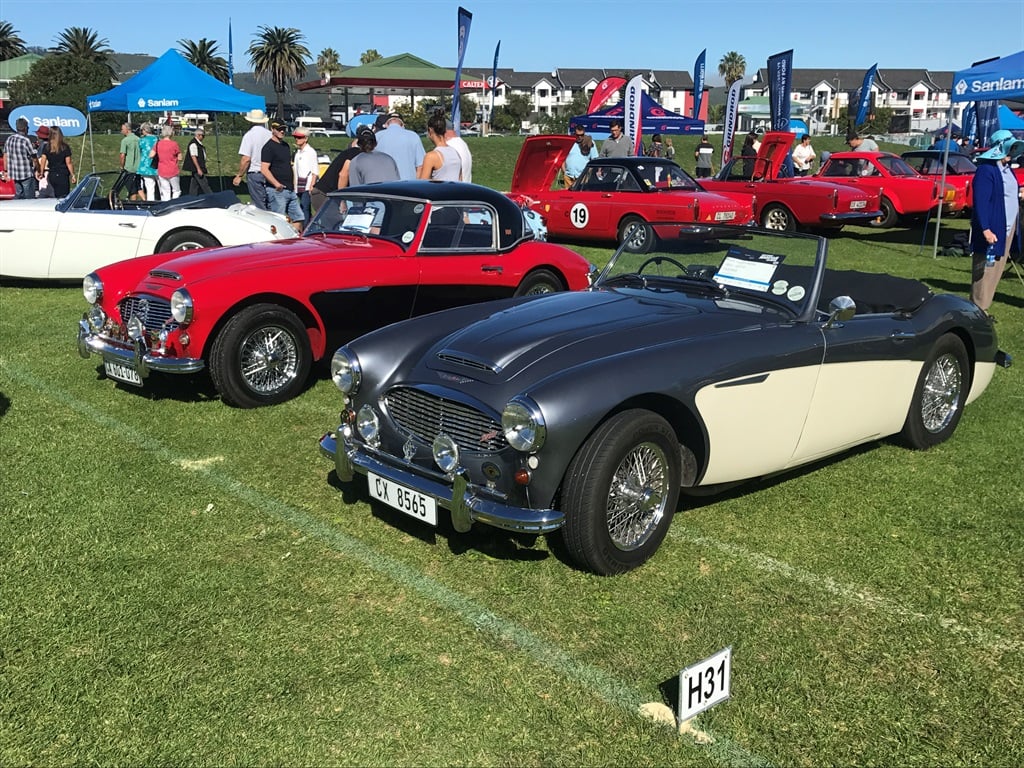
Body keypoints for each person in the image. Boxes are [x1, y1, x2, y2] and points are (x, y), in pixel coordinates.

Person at [969, 129, 1024, 315]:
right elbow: (981, 202)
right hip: (992, 228)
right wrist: (985, 229)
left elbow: (1006, 194)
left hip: (1007, 228)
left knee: (995, 271)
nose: (1012, 152)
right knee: (984, 271)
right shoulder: (986, 170)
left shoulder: (1007, 170)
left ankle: (983, 309)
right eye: (1010, 148)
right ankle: (977, 310)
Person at [261, 120, 305, 224]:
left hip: (290, 189)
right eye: (279, 129)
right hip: (277, 190)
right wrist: (276, 184)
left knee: (299, 218)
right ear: (272, 130)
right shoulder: (268, 147)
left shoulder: (285, 146)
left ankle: (294, 239)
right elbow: (264, 169)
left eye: (283, 129)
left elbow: (288, 165)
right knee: (279, 220)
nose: (282, 131)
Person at [233, 108, 272, 210]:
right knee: (270, 201)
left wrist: (239, 175)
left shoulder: (249, 135)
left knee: (259, 204)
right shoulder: (270, 135)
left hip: (255, 172)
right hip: (269, 172)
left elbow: (246, 158)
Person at [310, 140, 361, 213]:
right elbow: (343, 175)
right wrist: (342, 200)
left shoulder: (352, 153)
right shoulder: (354, 154)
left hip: (327, 194)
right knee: (335, 222)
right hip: (324, 194)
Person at [373, 112, 425, 180]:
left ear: (386, 124)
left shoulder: (377, 137)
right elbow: (420, 166)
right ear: (402, 125)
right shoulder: (413, 136)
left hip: (384, 185)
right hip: (408, 184)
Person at [418, 111, 462, 181]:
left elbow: (422, 185)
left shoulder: (431, 156)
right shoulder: (456, 153)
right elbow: (460, 180)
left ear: (430, 130)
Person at [2, 117, 39, 199]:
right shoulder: (26, 140)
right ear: (25, 128)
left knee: (18, 195)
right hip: (26, 173)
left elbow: (5, 155)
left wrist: (5, 170)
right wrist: (38, 169)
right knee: (29, 197)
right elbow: (34, 157)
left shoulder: (9, 139)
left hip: (15, 173)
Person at [38, 125, 75, 198]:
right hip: (62, 174)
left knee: (54, 194)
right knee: (63, 196)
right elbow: (69, 163)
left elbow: (43, 161)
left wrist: (41, 172)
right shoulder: (65, 147)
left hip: (52, 174)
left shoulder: (47, 147)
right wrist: (73, 175)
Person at [291, 127, 319, 221]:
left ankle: (305, 226)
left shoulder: (311, 152)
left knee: (305, 207)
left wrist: (311, 186)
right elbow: (295, 169)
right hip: (298, 184)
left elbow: (315, 171)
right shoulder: (298, 152)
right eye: (296, 137)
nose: (296, 139)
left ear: (306, 138)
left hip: (307, 185)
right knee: (300, 207)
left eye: (299, 137)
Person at [152, 124, 181, 200]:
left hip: (161, 169)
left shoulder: (158, 143)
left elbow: (151, 155)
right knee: (176, 190)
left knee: (165, 191)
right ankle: (174, 204)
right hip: (173, 169)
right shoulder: (174, 144)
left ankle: (166, 205)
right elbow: (180, 157)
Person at [184, 126, 212, 195]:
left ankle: (192, 197)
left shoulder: (198, 143)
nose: (203, 137)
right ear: (198, 135)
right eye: (203, 136)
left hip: (197, 167)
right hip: (197, 167)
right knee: (204, 184)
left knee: (194, 185)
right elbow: (193, 157)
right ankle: (211, 197)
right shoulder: (193, 144)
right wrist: (198, 169)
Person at [118, 122, 142, 200]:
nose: (121, 131)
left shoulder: (125, 141)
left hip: (129, 168)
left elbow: (122, 155)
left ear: (127, 130)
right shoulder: (138, 139)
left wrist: (122, 166)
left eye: (122, 129)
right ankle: (145, 200)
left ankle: (133, 205)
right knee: (139, 188)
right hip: (138, 167)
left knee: (132, 190)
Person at [136, 122, 159, 200]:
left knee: (149, 187)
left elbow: (139, 151)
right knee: (161, 186)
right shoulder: (157, 139)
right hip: (156, 165)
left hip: (145, 166)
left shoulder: (141, 140)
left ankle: (150, 202)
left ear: (144, 130)